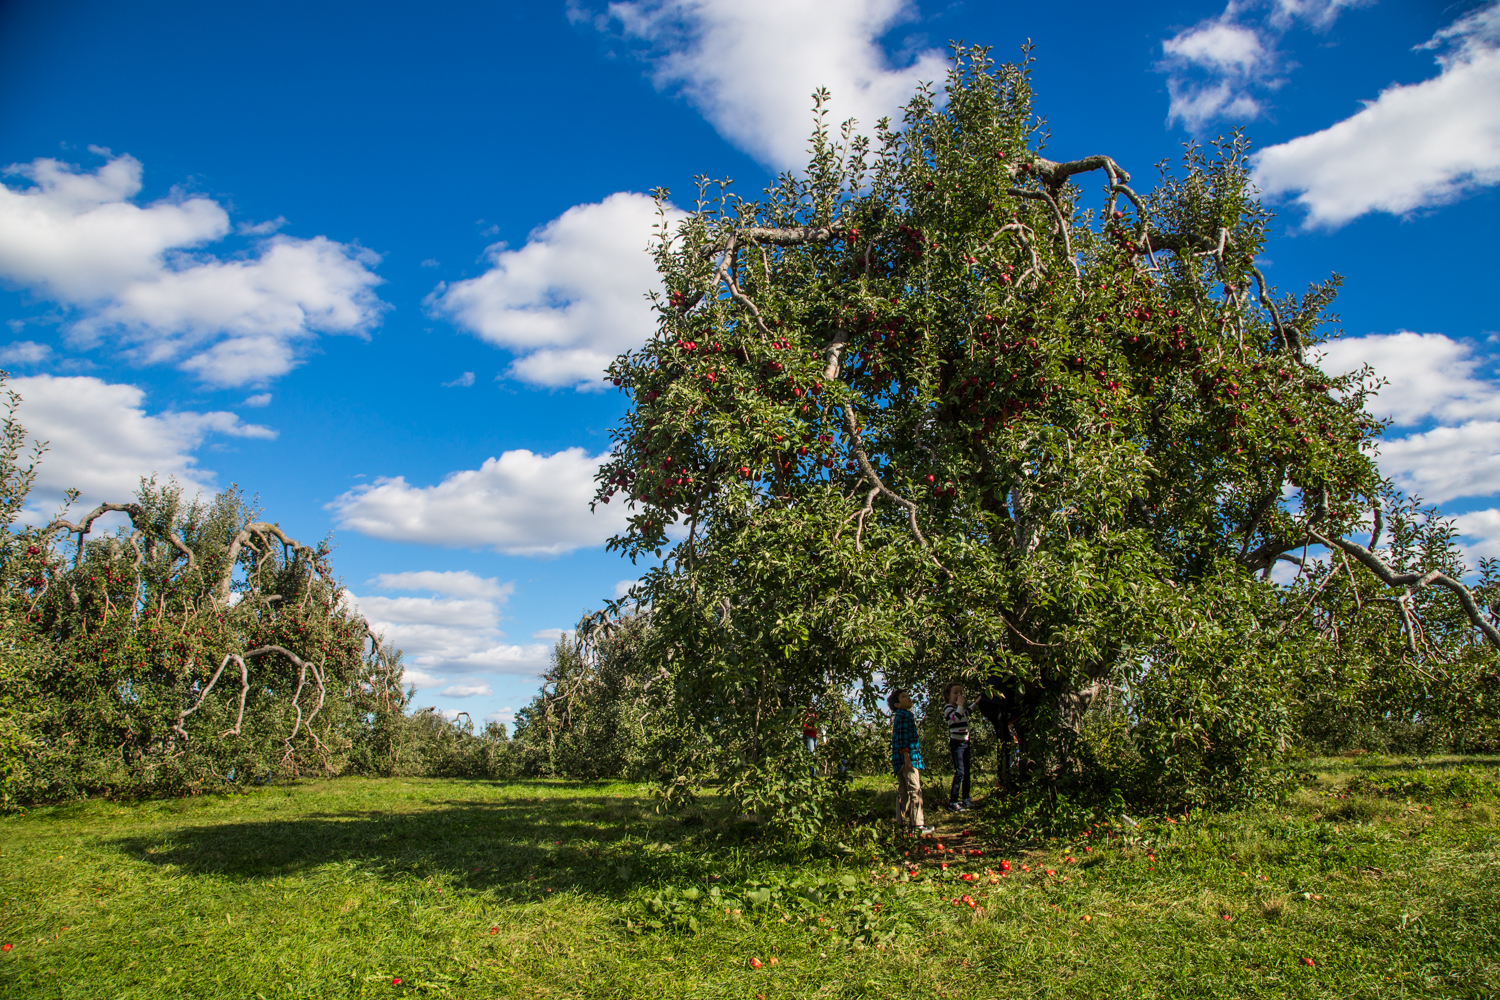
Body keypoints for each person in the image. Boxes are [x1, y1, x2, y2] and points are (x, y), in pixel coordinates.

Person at [888, 689, 933, 834]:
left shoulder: (899, 716)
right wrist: (907, 757)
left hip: (899, 760)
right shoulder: (905, 715)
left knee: (903, 792)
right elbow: (903, 737)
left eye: (907, 695)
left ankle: (901, 825)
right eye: (903, 697)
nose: (908, 698)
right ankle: (917, 825)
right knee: (914, 790)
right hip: (908, 759)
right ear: (897, 704)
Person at [941, 681, 975, 810]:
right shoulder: (948, 708)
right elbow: (956, 717)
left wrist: (977, 702)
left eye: (961, 693)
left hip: (965, 743)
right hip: (957, 744)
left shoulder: (961, 709)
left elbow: (968, 711)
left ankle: (966, 798)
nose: (959, 695)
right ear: (948, 695)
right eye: (955, 693)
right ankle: (953, 801)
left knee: (966, 772)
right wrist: (960, 705)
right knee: (960, 772)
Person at [801, 704, 818, 777]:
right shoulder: (805, 713)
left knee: (814, 756)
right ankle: (812, 775)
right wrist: (811, 728)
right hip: (808, 736)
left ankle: (813, 775)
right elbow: (803, 726)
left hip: (814, 736)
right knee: (812, 755)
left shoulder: (815, 713)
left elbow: (818, 724)